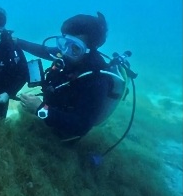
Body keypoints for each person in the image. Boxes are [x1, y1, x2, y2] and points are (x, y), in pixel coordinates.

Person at [15, 12, 123, 143]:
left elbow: (81, 126)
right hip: (51, 114)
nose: (65, 51)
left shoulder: (96, 79)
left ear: (89, 50)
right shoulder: (70, 54)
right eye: (64, 43)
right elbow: (45, 51)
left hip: (64, 137)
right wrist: (17, 41)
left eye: (75, 47)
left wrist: (40, 109)